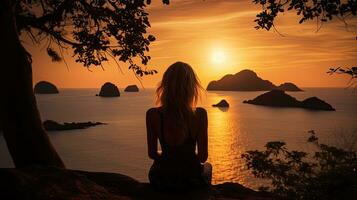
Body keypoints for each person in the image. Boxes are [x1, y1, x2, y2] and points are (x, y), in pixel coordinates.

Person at [146, 61, 212, 192]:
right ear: (192, 87)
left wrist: (169, 157)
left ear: (165, 85)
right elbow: (202, 157)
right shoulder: (200, 115)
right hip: (190, 180)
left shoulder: (153, 114)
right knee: (208, 166)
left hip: (161, 178)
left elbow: (152, 154)